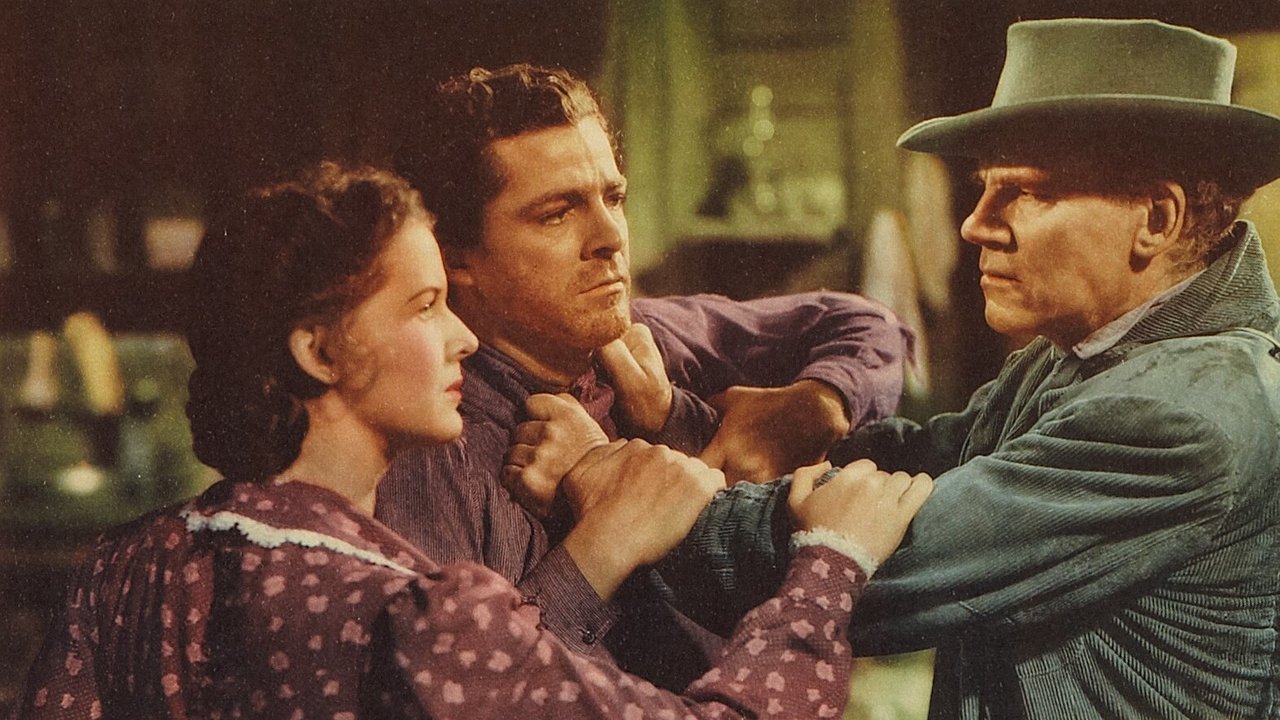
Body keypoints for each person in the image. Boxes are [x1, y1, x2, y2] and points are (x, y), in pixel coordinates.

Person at [516, 18, 1280, 719]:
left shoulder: (1185, 415)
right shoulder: (1087, 352)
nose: (976, 225)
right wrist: (687, 426)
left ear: (1157, 219)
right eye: (984, 188)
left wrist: (609, 482)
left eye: (1024, 192)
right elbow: (919, 461)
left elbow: (879, 566)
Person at [9, 162, 933, 719]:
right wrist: (831, 563)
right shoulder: (419, 617)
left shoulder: (124, 568)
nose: (460, 337)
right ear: (318, 351)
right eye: (425, 307)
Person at [378, 63, 911, 688]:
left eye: (613, 198)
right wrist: (600, 542)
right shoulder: (435, 447)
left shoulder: (639, 339)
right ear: (457, 260)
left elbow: (868, 323)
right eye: (557, 213)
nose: (609, 237)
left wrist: (818, 402)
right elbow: (458, 694)